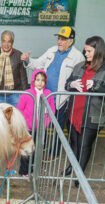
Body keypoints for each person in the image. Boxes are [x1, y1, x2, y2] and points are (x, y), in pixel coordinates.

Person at [64, 36, 105, 187]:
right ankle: (73, 166)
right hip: (73, 113)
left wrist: (97, 87)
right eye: (85, 50)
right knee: (74, 143)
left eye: (89, 51)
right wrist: (71, 83)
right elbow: (66, 85)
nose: (86, 54)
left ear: (98, 51)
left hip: (92, 115)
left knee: (84, 145)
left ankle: (79, 175)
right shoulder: (79, 66)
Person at [21, 26, 84, 159]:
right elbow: (38, 63)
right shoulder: (52, 51)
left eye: (63, 39)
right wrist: (27, 60)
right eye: (59, 38)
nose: (59, 41)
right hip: (44, 97)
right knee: (40, 124)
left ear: (71, 41)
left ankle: (54, 152)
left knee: (58, 128)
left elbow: (79, 79)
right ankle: (39, 148)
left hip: (62, 100)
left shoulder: (77, 57)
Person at [17, 69, 55, 176]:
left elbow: (51, 110)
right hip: (28, 128)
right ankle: (24, 171)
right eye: (37, 80)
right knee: (27, 150)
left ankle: (32, 169)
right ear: (33, 80)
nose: (40, 82)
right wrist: (25, 123)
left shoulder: (48, 94)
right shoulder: (27, 94)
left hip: (41, 128)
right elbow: (19, 109)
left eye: (42, 80)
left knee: (37, 149)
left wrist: (45, 123)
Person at [0, 30, 28, 107]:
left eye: (9, 41)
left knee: (15, 117)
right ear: (1, 41)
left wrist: (25, 94)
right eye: (4, 41)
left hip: (15, 94)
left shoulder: (19, 55)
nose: (6, 44)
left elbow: (23, 77)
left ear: (12, 42)